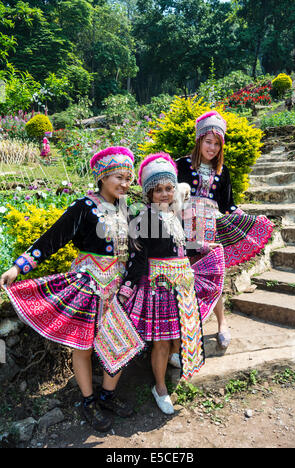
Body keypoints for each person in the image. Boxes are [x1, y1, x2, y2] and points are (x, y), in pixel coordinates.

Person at [0, 146, 136, 432]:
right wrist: (19, 267)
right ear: (102, 176)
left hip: (118, 289)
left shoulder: (127, 209)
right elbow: (52, 240)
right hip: (89, 285)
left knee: (120, 340)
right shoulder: (83, 208)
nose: (125, 183)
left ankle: (107, 396)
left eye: (128, 178)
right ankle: (88, 401)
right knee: (83, 346)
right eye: (119, 177)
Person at [118, 153, 224, 415]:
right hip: (159, 287)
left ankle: (174, 359)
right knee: (162, 341)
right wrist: (128, 288)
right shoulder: (143, 219)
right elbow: (139, 257)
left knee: (178, 331)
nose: (164, 194)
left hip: (181, 284)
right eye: (158, 190)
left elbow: (179, 245)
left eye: (169, 188)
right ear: (148, 193)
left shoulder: (173, 215)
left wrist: (200, 246)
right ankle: (160, 387)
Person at [176, 111, 274, 351]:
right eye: (208, 142)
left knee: (214, 275)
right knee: (185, 276)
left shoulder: (224, 171)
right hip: (183, 228)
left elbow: (227, 205)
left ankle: (222, 324)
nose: (212, 148)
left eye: (217, 144)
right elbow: (168, 197)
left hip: (211, 228)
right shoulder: (180, 164)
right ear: (199, 140)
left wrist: (247, 219)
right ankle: (187, 328)